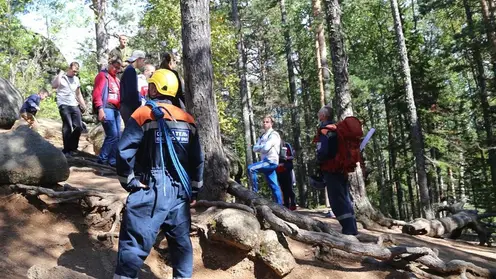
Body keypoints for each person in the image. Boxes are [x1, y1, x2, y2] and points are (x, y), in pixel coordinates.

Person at [114, 69, 204, 279]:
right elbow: (197, 159)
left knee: (135, 241)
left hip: (151, 188)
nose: (149, 88)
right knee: (181, 244)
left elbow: (123, 151)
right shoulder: (187, 119)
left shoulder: (143, 113)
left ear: (155, 89)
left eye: (151, 85)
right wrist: (194, 191)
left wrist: (131, 183)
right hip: (180, 192)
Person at [315, 106, 358, 235]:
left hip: (331, 168)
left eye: (319, 113)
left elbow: (324, 151)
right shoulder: (336, 129)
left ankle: (349, 231)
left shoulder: (325, 130)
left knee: (337, 201)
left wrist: (319, 160)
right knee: (344, 198)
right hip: (341, 168)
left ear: (323, 115)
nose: (318, 115)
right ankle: (352, 228)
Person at [92, 56, 123, 167]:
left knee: (118, 135)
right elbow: (96, 94)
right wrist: (100, 109)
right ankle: (102, 159)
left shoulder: (116, 79)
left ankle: (113, 160)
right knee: (112, 134)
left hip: (116, 110)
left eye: (118, 68)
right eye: (115, 67)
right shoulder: (102, 76)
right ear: (110, 64)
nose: (116, 70)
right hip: (107, 108)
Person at [51, 62, 87, 157]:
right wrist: (60, 74)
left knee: (78, 126)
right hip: (63, 104)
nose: (75, 73)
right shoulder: (61, 77)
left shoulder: (76, 79)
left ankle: (73, 148)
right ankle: (66, 150)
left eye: (77, 71)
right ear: (69, 68)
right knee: (67, 125)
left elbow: (78, 93)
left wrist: (83, 104)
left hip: (74, 104)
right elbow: (54, 86)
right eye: (74, 70)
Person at [248, 115, 283, 204]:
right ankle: (281, 206)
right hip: (265, 162)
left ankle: (254, 194)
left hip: (271, 161)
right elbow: (254, 148)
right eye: (263, 122)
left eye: (267, 122)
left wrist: (261, 147)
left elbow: (266, 148)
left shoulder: (274, 135)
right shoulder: (262, 136)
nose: (264, 123)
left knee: (251, 168)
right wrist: (262, 147)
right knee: (274, 186)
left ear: (271, 124)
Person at [120, 50, 146, 124]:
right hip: (128, 108)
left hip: (127, 106)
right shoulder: (130, 71)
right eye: (143, 60)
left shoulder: (130, 70)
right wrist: (138, 103)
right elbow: (132, 91)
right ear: (138, 59)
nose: (143, 63)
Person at [276, 132, 297, 210]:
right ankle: (286, 205)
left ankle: (293, 203)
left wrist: (285, 158)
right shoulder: (274, 146)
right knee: (283, 188)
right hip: (278, 170)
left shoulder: (286, 145)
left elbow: (292, 156)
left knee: (289, 187)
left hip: (287, 169)